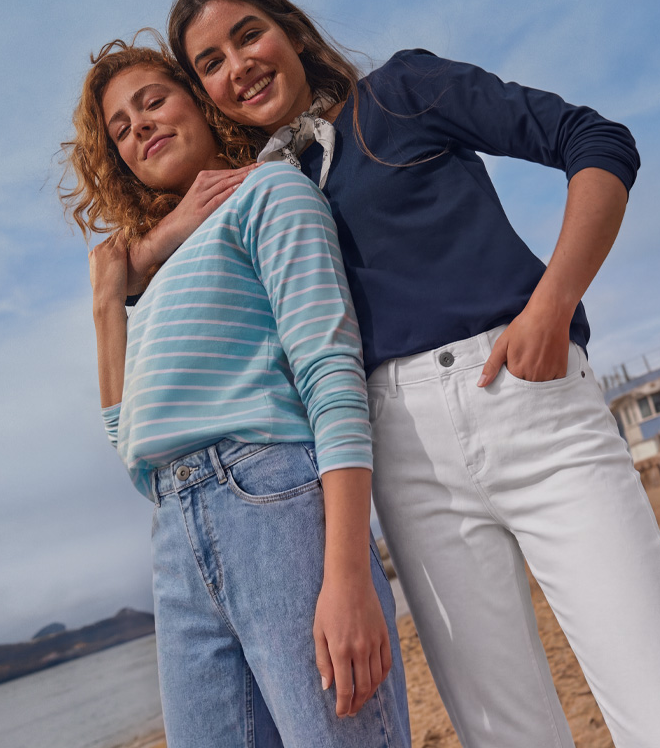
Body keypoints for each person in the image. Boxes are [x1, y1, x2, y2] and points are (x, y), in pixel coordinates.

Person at [131, 0, 660, 748]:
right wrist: (153, 238)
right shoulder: (262, 194)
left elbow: (595, 140)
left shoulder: (402, 91)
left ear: (290, 30)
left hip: (531, 406)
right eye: (210, 62)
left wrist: (552, 302)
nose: (237, 64)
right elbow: (142, 285)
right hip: (403, 457)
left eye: (247, 34)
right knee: (507, 736)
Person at [60, 38, 411, 748]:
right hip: (173, 534)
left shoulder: (270, 191)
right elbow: (126, 442)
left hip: (273, 503)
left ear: (197, 98)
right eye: (121, 129)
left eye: (152, 101)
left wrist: (346, 573)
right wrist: (112, 294)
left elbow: (330, 374)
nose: (141, 128)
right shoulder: (150, 280)